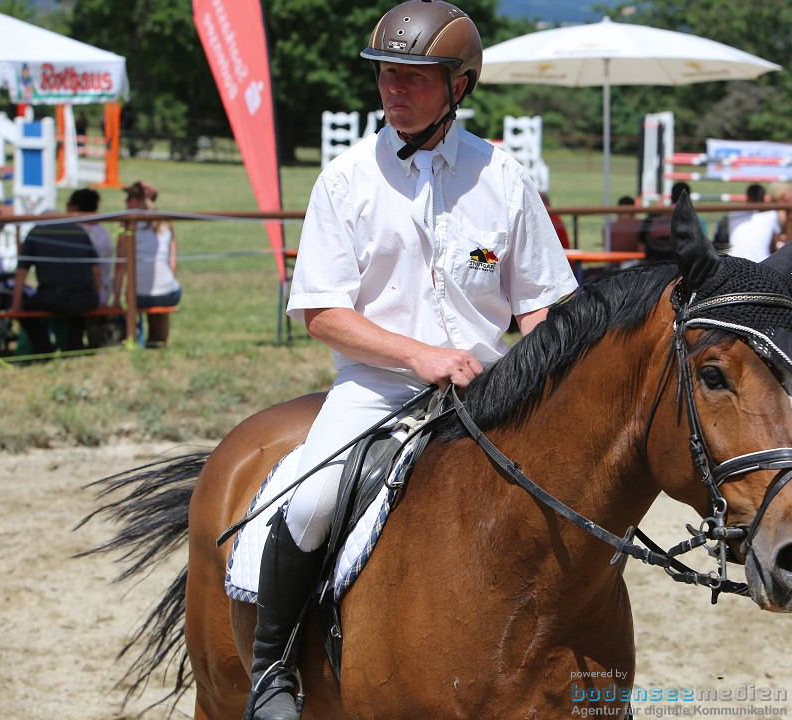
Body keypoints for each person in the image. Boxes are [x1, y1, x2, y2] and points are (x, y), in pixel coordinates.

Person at [247, 3, 578, 719]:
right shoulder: (343, 182)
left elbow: (542, 304)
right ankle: (271, 668)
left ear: (459, 86)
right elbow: (322, 314)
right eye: (386, 75)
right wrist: (419, 354)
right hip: (377, 389)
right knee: (307, 499)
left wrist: (543, 376)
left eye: (413, 78)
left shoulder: (504, 177)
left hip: (493, 393)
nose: (394, 89)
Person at [9, 213, 101, 354]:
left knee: (27, 310)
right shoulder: (79, 230)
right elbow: (96, 269)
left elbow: (21, 272)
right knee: (76, 316)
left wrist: (15, 307)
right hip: (85, 297)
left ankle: (45, 350)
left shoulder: (36, 232)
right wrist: (97, 297)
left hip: (54, 297)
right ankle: (74, 349)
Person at [112, 181, 182, 348]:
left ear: (142, 201)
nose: (126, 202)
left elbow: (120, 267)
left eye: (131, 197)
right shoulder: (166, 224)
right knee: (167, 291)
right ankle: (158, 341)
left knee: (139, 296)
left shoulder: (127, 227)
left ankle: (139, 338)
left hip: (137, 297)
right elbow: (173, 265)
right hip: (167, 295)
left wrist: (115, 299)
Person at [68, 189, 115, 346]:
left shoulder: (79, 231)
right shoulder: (101, 230)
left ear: (74, 207)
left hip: (88, 292)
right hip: (102, 288)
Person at [644, 181, 691, 261]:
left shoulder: (653, 216)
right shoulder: (691, 219)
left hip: (653, 262)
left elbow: (642, 246)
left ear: (671, 196)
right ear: (688, 197)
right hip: (679, 263)